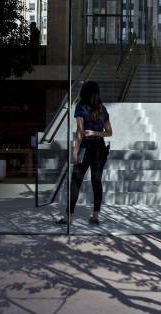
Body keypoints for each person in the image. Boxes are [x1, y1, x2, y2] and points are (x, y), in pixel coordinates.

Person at [57, 81, 113, 226]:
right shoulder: (103, 109)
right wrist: (96, 132)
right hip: (100, 148)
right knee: (96, 181)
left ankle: (69, 217)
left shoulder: (81, 107)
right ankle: (95, 217)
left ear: (85, 92)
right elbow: (109, 132)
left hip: (86, 147)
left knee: (76, 181)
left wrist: (75, 152)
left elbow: (80, 132)